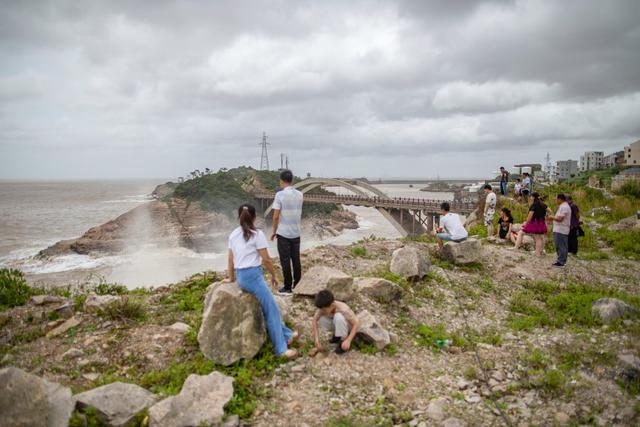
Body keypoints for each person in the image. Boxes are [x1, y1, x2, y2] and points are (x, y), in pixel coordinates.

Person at [226, 204, 298, 359]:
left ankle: (288, 334)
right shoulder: (256, 234)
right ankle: (281, 349)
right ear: (254, 217)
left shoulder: (233, 234)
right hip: (253, 277)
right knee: (271, 309)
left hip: (241, 277)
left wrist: (231, 279)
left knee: (269, 304)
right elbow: (266, 259)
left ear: (239, 217)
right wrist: (274, 275)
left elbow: (230, 261)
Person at [270, 169, 304, 295]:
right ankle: (298, 284)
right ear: (292, 180)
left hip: (283, 233)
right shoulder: (300, 194)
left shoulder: (280, 195)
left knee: (285, 260)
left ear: (281, 180)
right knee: (296, 259)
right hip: (296, 233)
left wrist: (274, 231)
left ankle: (288, 287)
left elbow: (275, 216)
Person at [312, 290, 359, 355]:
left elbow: (356, 323)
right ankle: (337, 336)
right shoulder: (324, 307)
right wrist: (316, 340)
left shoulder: (343, 309)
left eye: (324, 309)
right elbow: (314, 320)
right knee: (322, 318)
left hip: (348, 327)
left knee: (338, 317)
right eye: (321, 309)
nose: (321, 311)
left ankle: (343, 340)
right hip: (338, 324)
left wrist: (348, 340)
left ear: (332, 305)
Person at [513, 192, 547, 256]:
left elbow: (530, 216)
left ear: (533, 197)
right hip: (542, 222)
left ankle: (537, 253)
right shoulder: (543, 204)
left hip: (534, 223)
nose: (530, 198)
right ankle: (540, 251)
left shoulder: (533, 205)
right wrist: (545, 217)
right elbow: (549, 211)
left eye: (531, 196)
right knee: (541, 237)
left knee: (535, 237)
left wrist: (526, 223)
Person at [547, 193, 572, 267]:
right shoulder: (562, 206)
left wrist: (551, 217)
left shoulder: (564, 207)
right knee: (559, 245)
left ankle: (561, 262)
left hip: (561, 230)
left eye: (556, 199)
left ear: (560, 199)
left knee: (561, 246)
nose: (555, 200)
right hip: (559, 229)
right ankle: (560, 260)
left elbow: (560, 219)